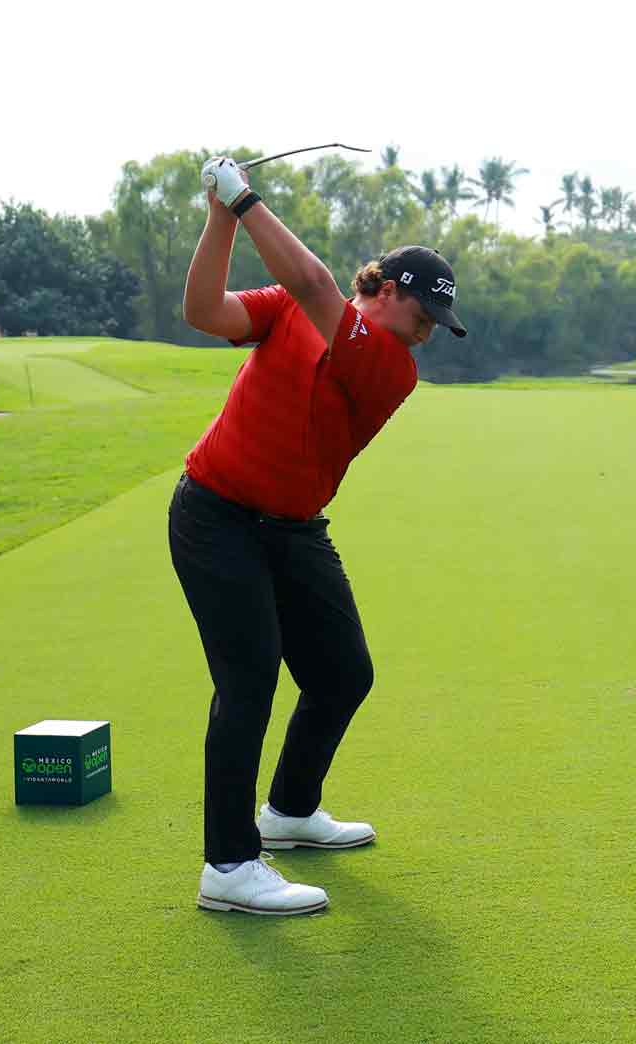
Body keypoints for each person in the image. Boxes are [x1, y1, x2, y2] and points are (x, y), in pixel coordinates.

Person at [171, 155, 466, 916]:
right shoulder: (298, 309)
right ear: (389, 290)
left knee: (342, 672)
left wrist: (242, 199)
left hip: (293, 528)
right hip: (215, 513)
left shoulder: (390, 364)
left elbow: (311, 283)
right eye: (423, 316)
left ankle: (290, 813)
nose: (427, 335)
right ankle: (229, 865)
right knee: (250, 679)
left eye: (436, 326)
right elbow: (204, 312)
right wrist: (216, 219)